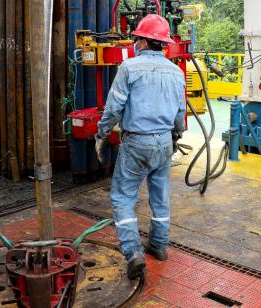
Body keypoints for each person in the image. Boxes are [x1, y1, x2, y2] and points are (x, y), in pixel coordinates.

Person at [95, 14, 186, 280]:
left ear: (144, 42)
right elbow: (180, 113)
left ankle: (133, 252)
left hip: (137, 142)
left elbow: (113, 108)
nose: (134, 42)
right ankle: (159, 246)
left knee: (123, 198)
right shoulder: (176, 72)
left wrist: (101, 134)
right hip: (164, 141)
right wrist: (176, 135)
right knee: (160, 196)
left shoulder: (130, 68)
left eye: (136, 38)